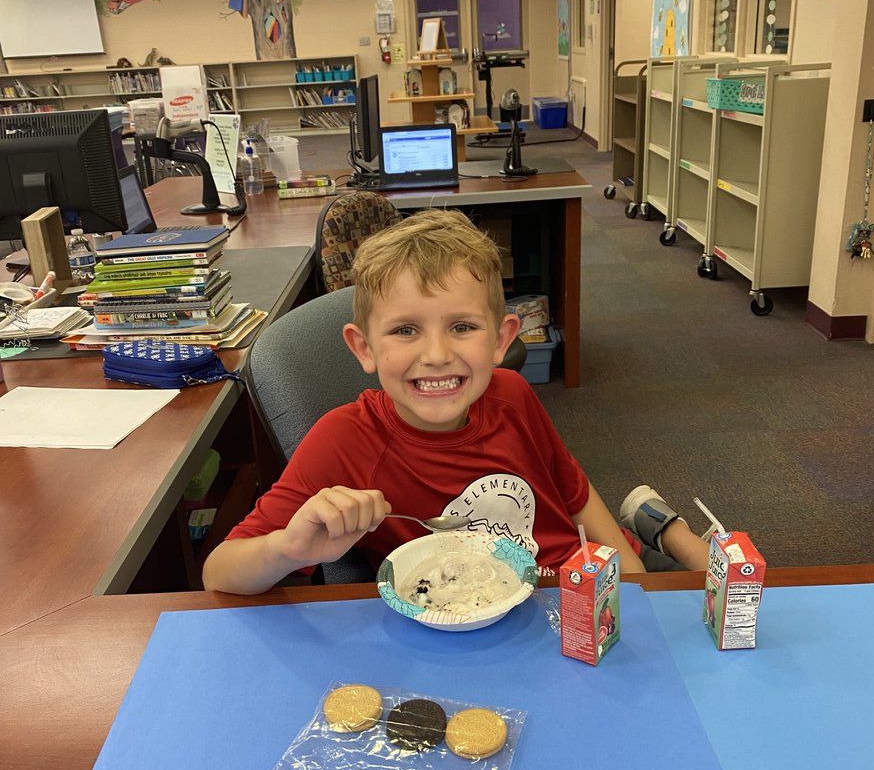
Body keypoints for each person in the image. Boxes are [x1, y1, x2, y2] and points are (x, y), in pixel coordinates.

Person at [203, 210, 718, 595]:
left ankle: (660, 531)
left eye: (462, 327)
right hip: (463, 622)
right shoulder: (343, 442)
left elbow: (574, 496)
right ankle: (660, 526)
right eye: (405, 330)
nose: (436, 355)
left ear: (501, 340)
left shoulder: (512, 395)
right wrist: (288, 548)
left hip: (576, 593)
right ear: (364, 348)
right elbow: (219, 572)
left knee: (725, 606)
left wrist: (632, 580)